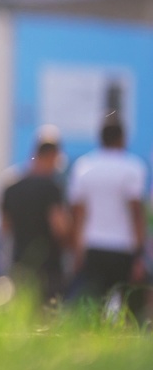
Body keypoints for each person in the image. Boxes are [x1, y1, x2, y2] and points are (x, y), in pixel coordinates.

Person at [65, 118, 147, 323]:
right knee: (128, 308)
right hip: (123, 248)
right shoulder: (132, 167)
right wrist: (139, 253)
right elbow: (136, 213)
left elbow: (77, 213)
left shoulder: (84, 166)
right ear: (122, 138)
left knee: (95, 306)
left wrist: (77, 250)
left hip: (92, 245)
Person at [0, 138, 69, 304]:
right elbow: (59, 227)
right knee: (48, 320)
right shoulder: (52, 188)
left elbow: (4, 227)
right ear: (51, 156)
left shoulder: (11, 187)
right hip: (48, 266)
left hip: (19, 263)